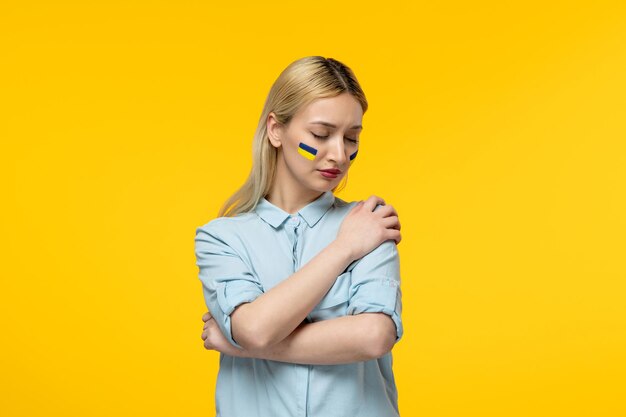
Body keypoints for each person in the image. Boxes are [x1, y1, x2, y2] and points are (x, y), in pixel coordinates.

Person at [194, 56, 404, 417]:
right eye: (321, 135)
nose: (339, 154)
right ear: (276, 130)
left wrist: (241, 347)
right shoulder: (221, 238)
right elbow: (256, 330)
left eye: (351, 137)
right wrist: (345, 249)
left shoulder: (369, 222)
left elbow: (374, 336)